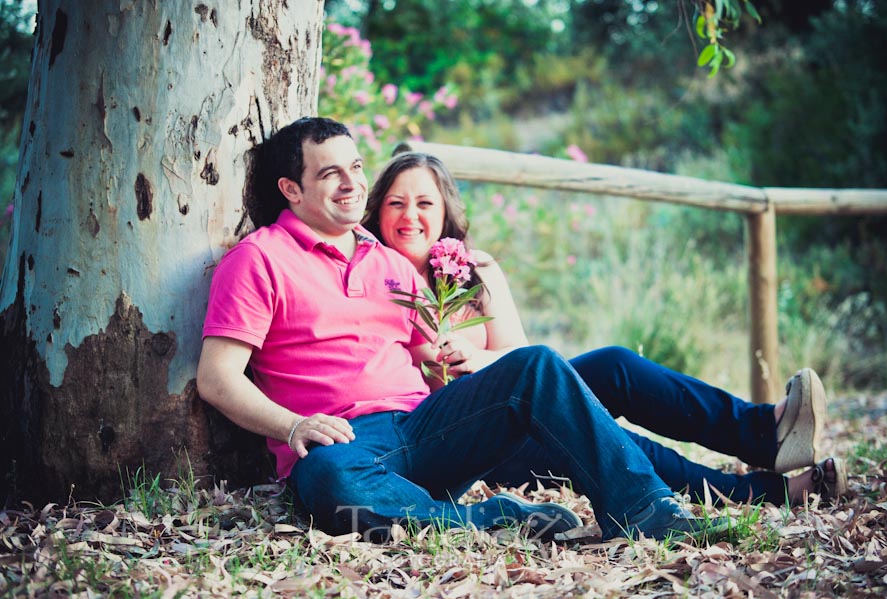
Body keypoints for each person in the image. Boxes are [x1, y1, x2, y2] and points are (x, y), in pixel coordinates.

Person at [197, 117, 731, 545]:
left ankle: (643, 508)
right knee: (327, 481)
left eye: (356, 166)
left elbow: (432, 359)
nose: (352, 182)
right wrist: (293, 427)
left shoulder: (391, 265)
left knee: (538, 365)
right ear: (291, 188)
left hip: (425, 430)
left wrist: (456, 356)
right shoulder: (259, 259)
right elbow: (218, 378)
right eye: (330, 172)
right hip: (345, 445)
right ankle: (486, 520)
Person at [361, 151, 849, 507]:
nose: (411, 216)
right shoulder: (368, 280)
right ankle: (765, 493)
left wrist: (474, 356)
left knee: (614, 364)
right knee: (611, 438)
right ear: (378, 212)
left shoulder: (477, 268)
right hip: (464, 447)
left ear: (445, 210)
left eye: (424, 203)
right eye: (397, 204)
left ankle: (762, 431)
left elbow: (519, 354)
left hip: (519, 405)